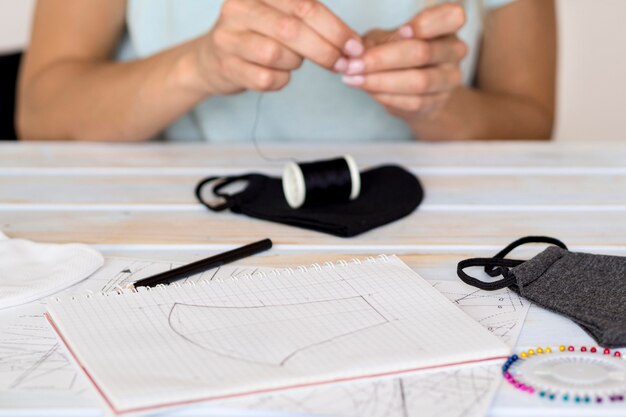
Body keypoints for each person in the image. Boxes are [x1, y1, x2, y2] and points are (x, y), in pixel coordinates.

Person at [17, 0, 556, 142]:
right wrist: (199, 66)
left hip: (428, 222)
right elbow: (42, 114)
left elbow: (530, 120)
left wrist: (435, 102)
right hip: (166, 221)